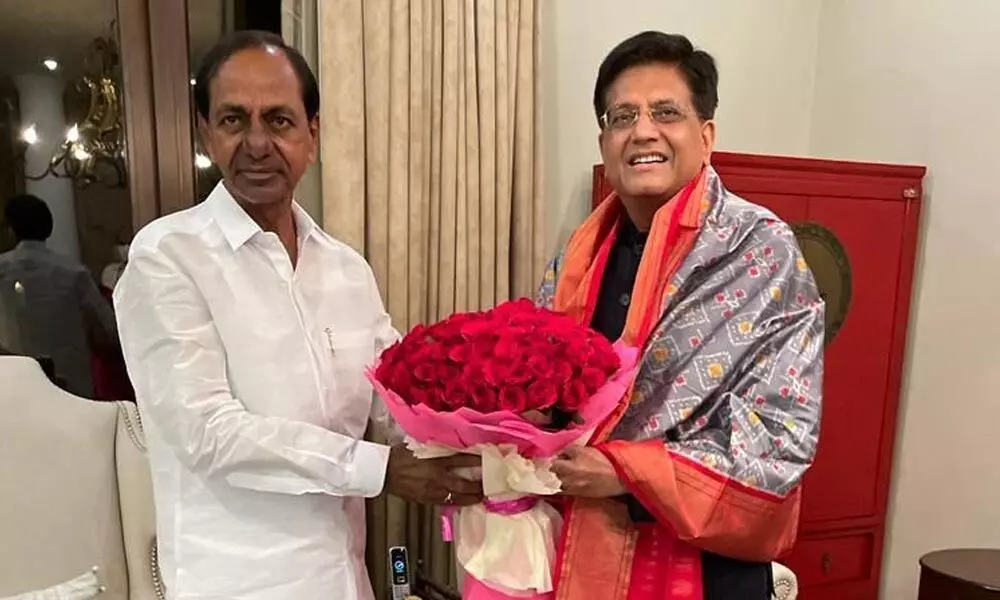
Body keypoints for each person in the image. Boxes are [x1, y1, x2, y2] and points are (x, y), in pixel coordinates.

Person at [113, 31, 480, 600]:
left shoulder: (346, 269)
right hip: (238, 587)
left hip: (344, 579)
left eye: (279, 121)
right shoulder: (166, 258)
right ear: (205, 132)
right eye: (234, 120)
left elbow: (392, 399)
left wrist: (496, 428)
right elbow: (210, 433)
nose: (257, 143)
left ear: (313, 133)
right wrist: (382, 470)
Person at [543, 32, 824, 600]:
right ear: (604, 141)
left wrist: (624, 474)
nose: (642, 130)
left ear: (706, 135)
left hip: (706, 568)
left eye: (665, 112)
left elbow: (780, 438)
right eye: (623, 116)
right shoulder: (580, 257)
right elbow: (547, 394)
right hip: (583, 544)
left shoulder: (760, 252)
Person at [0, 194, 117, 397]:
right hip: (70, 387)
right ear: (48, 228)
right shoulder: (74, 272)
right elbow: (109, 329)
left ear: (10, 229)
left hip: (11, 386)